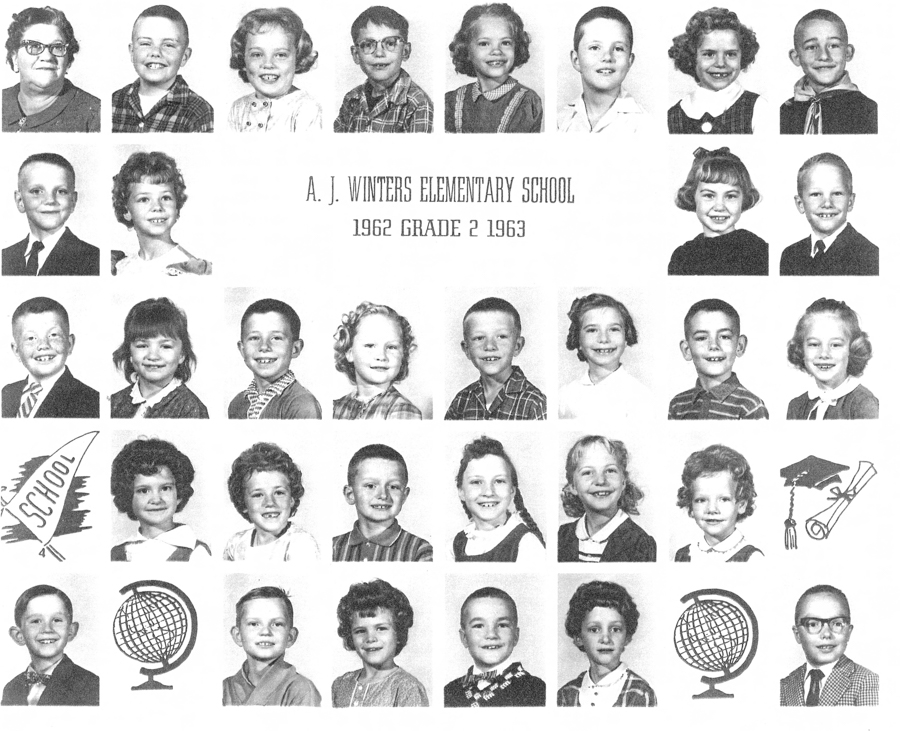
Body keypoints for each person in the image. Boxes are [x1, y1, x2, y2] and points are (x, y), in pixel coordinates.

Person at [111, 4, 213, 132]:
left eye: (168, 45)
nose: (155, 52)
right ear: (132, 52)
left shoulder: (199, 112)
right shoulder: (114, 101)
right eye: (145, 43)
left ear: (184, 57)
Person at [669, 147, 767, 276]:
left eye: (730, 196)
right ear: (692, 196)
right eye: (709, 196)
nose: (719, 207)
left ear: (744, 198)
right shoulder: (683, 256)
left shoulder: (757, 250)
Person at [667, 7, 768, 134]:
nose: (720, 63)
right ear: (692, 57)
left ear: (742, 56)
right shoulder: (673, 116)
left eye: (730, 54)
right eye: (709, 54)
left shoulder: (758, 108)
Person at [111, 151, 211, 276]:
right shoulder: (120, 267)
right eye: (144, 199)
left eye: (165, 198)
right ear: (126, 211)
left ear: (176, 207)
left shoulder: (191, 271)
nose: (157, 207)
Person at [445, 3, 542, 133]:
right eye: (484, 43)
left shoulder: (528, 102)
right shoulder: (451, 101)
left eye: (505, 43)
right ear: (466, 49)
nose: (496, 51)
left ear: (517, 47)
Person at [110, 437, 211, 561]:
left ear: (179, 494)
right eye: (144, 491)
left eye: (165, 488)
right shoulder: (117, 553)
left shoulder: (196, 553)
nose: (156, 499)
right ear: (128, 497)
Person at [334, 5, 432, 133]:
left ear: (406, 51)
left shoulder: (417, 104)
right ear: (356, 54)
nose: (379, 53)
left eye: (390, 43)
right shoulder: (352, 99)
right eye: (368, 44)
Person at [558, 435, 655, 562]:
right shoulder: (562, 537)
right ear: (573, 486)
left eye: (610, 471)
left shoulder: (642, 544)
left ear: (623, 482)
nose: (600, 480)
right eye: (587, 472)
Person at [557, 581, 656, 706]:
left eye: (615, 629)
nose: (605, 639)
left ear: (627, 637)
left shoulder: (639, 693)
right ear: (578, 637)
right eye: (594, 630)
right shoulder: (566, 694)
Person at [446, 297, 546, 420]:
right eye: (479, 338)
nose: (489, 346)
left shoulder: (535, 403)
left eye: (501, 336)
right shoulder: (461, 401)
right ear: (466, 349)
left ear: (517, 346)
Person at [2, 6, 99, 132]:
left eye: (57, 47)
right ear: (15, 58)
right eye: (34, 46)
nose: (47, 57)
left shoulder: (95, 115)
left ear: (68, 60)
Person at [332, 579, 428, 707]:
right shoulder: (340, 685)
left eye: (381, 629)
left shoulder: (407, 688)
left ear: (398, 633)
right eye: (360, 631)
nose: (370, 638)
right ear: (350, 636)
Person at [444, 586, 545, 706]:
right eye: (479, 626)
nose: (491, 635)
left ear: (516, 636)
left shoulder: (536, 690)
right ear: (464, 638)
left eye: (502, 625)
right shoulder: (449, 691)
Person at [110, 297, 209, 418]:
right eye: (142, 345)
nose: (153, 356)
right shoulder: (114, 402)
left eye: (166, 347)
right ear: (129, 353)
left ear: (182, 355)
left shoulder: (191, 408)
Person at [669, 299, 768, 420]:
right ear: (687, 350)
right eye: (701, 338)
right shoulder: (677, 405)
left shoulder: (750, 407)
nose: (714, 345)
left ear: (740, 346)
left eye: (724, 336)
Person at [780, 153, 878, 275]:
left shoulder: (869, 256)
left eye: (837, 193)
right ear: (800, 204)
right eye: (816, 194)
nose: (827, 203)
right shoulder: (790, 255)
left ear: (850, 202)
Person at [780, 9, 876, 134]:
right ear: (796, 57)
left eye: (833, 46)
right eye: (812, 47)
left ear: (848, 52)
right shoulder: (786, 111)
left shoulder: (869, 110)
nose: (824, 56)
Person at [558, 293, 652, 420]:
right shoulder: (565, 396)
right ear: (578, 340)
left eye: (613, 329)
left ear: (626, 338)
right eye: (592, 330)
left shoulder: (640, 397)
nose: (603, 339)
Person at [780, 585, 878, 705]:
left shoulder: (868, 682)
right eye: (813, 624)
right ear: (797, 634)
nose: (826, 634)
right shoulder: (785, 685)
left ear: (848, 632)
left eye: (837, 624)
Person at [3, 152, 98, 275]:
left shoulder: (94, 260)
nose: (50, 200)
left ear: (73, 201)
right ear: (20, 201)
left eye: (61, 191)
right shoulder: (5, 258)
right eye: (36, 191)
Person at [333, 443, 432, 561]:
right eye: (370, 486)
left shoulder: (419, 550)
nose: (383, 495)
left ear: (404, 496)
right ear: (350, 494)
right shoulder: (333, 547)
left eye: (393, 487)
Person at [452, 436, 544, 562]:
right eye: (477, 482)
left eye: (499, 481)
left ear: (512, 490)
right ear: (461, 492)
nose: (489, 492)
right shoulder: (455, 545)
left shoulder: (527, 545)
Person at [1, 585, 98, 705]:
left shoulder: (91, 685)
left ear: (71, 631)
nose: (47, 629)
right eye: (36, 621)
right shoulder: (11, 688)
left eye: (57, 620)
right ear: (18, 635)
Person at [2, 297, 98, 418]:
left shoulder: (90, 401)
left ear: (69, 344)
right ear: (16, 350)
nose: (43, 345)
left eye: (53, 335)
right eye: (31, 338)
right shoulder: (7, 393)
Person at [223, 586, 321, 706]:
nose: (265, 632)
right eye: (254, 624)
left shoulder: (301, 689)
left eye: (276, 624)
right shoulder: (224, 688)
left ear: (290, 637)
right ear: (238, 635)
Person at [228, 7, 321, 132]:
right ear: (243, 59)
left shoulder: (306, 108)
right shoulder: (238, 108)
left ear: (298, 59)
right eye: (257, 54)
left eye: (280, 55)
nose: (268, 64)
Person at [223, 442, 318, 561]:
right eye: (258, 495)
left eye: (279, 493)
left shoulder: (300, 544)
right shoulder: (235, 544)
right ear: (243, 503)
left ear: (292, 499)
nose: (270, 502)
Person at [785, 298, 878, 419]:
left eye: (835, 345)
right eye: (814, 344)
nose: (824, 354)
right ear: (801, 349)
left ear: (853, 349)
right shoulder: (796, 406)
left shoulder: (864, 405)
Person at [229, 298, 321, 419]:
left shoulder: (302, 405)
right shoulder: (237, 403)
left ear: (295, 348)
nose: (264, 347)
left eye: (276, 338)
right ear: (242, 349)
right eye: (254, 338)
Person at [558, 6, 646, 133]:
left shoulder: (645, 127)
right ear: (576, 60)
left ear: (629, 61)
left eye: (618, 48)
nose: (607, 57)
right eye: (594, 48)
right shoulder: (560, 122)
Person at [332, 301, 422, 419]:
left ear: (403, 354)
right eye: (370, 345)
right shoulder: (335, 408)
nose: (381, 356)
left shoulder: (402, 410)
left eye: (391, 347)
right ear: (349, 353)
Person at [674, 444, 762, 562]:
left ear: (741, 505)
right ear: (690, 504)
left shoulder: (752, 559)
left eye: (724, 499)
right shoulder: (684, 555)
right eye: (701, 500)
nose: (712, 509)